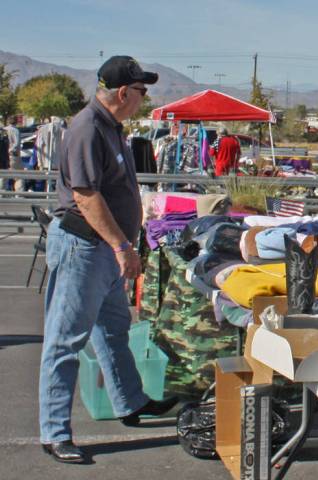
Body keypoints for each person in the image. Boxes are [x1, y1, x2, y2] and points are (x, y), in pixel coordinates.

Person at [39, 56, 177, 464]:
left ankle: (129, 401)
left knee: (113, 329)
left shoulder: (110, 128)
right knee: (66, 340)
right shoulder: (87, 128)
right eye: (140, 91)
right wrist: (123, 246)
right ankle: (55, 432)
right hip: (86, 248)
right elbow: (86, 196)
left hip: (103, 250)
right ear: (122, 93)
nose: (144, 99)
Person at [3, 116, 22, 191]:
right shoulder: (15, 130)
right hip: (13, 155)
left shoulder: (4, 130)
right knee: (19, 176)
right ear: (16, 122)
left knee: (4, 175)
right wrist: (10, 150)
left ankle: (2, 194)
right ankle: (19, 194)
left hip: (4, 156)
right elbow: (16, 143)